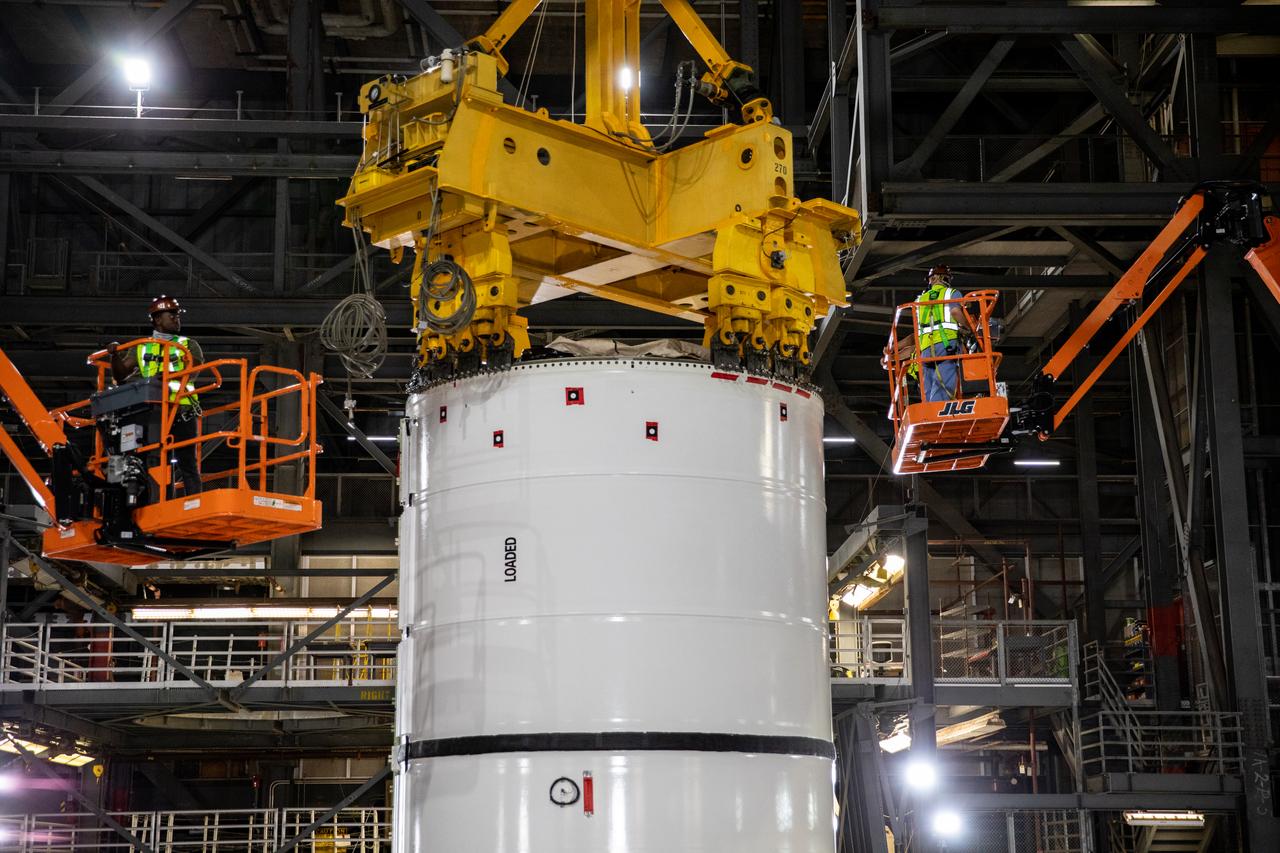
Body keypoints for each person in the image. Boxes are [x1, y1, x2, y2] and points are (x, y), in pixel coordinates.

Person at [110, 295, 204, 498]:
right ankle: (134, 498)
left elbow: (193, 370)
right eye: (172, 315)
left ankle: (194, 501)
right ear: (157, 319)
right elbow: (120, 374)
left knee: (187, 460)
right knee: (145, 458)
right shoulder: (142, 346)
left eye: (177, 316)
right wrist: (114, 356)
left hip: (181, 409)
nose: (177, 319)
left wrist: (166, 377)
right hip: (150, 411)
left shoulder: (188, 344)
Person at [914, 265, 972, 402]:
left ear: (931, 280)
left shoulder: (920, 300)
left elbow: (918, 328)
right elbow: (955, 312)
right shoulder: (951, 293)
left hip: (925, 349)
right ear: (944, 278)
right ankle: (938, 413)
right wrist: (970, 328)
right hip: (946, 346)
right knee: (942, 387)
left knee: (927, 389)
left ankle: (928, 414)